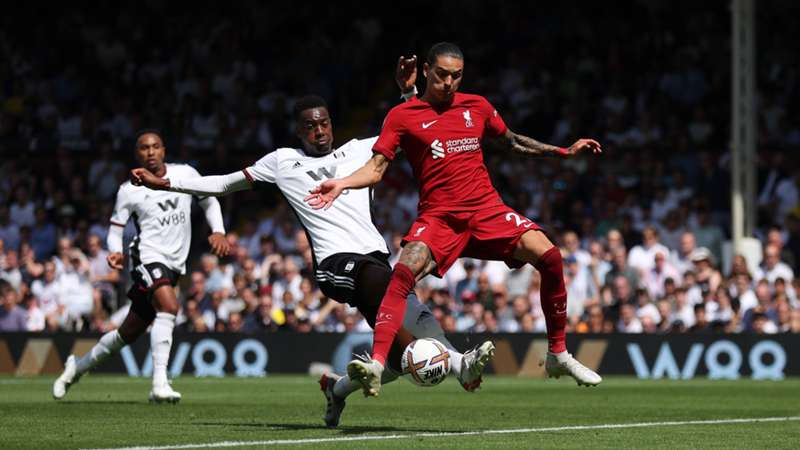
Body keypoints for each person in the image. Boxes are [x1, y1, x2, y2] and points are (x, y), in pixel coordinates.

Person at [130, 58, 494, 428]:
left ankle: (336, 389)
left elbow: (413, 127)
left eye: (324, 123)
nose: (319, 131)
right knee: (391, 292)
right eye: (310, 126)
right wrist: (167, 183)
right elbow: (223, 184)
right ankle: (460, 363)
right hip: (336, 265)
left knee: (406, 354)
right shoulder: (283, 162)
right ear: (299, 131)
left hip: (376, 261)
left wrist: (407, 92)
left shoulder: (360, 150)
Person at [306, 42, 602, 396]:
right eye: (443, 74)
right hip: (439, 218)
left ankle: (557, 354)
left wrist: (563, 151)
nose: (449, 82)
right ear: (428, 70)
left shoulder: (476, 106)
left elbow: (512, 141)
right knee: (401, 275)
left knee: (551, 256)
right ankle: (378, 363)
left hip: (485, 210)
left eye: (456, 76)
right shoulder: (403, 116)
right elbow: (375, 168)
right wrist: (341, 183)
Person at [53, 129, 229, 403]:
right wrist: (115, 252)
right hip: (146, 256)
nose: (150, 152)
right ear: (137, 154)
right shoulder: (129, 190)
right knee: (170, 307)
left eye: (155, 147)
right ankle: (159, 384)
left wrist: (218, 230)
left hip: (175, 264)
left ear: (164, 150)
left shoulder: (186, 174)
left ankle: (76, 368)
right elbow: (115, 230)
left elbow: (209, 200)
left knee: (127, 333)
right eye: (144, 148)